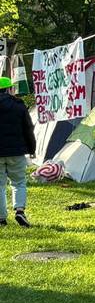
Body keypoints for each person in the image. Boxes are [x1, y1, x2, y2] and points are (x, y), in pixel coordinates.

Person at [0, 76, 34, 227]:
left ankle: (1, 218)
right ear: (9, 89)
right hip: (17, 151)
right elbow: (28, 128)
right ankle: (20, 211)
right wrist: (31, 149)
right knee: (19, 182)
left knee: (0, 185)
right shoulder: (19, 105)